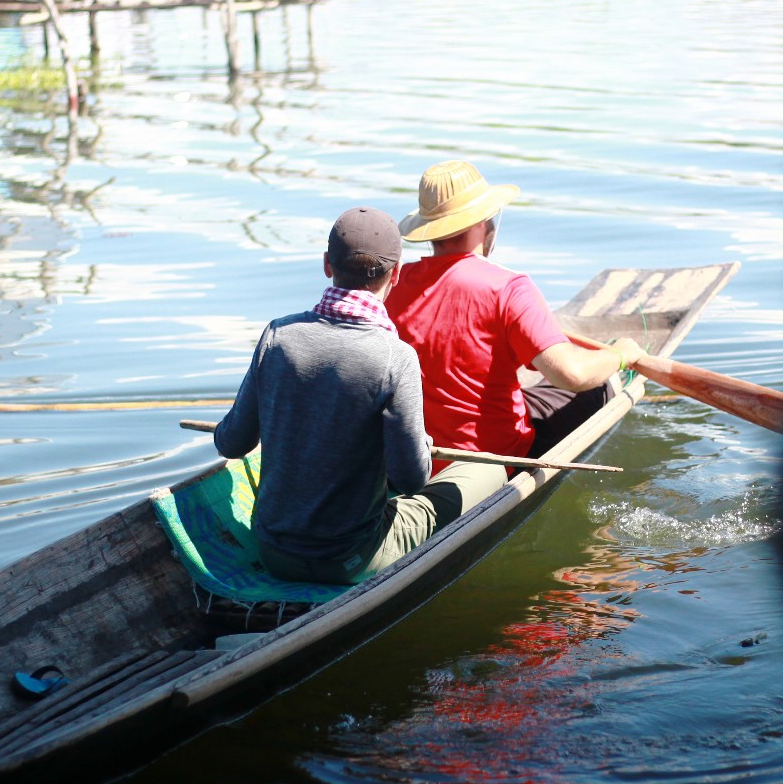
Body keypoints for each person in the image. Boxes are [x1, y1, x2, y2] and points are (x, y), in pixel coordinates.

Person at [214, 207, 507, 586]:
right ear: (396, 273)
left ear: (326, 265)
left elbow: (232, 443)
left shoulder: (277, 337)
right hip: (352, 560)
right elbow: (411, 479)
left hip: (273, 553)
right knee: (489, 469)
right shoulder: (394, 357)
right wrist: (421, 445)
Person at [387, 160, 645, 463]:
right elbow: (572, 375)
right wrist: (621, 355)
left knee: (535, 391)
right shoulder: (508, 288)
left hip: (420, 457)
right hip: (499, 460)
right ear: (482, 221)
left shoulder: (394, 282)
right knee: (598, 383)